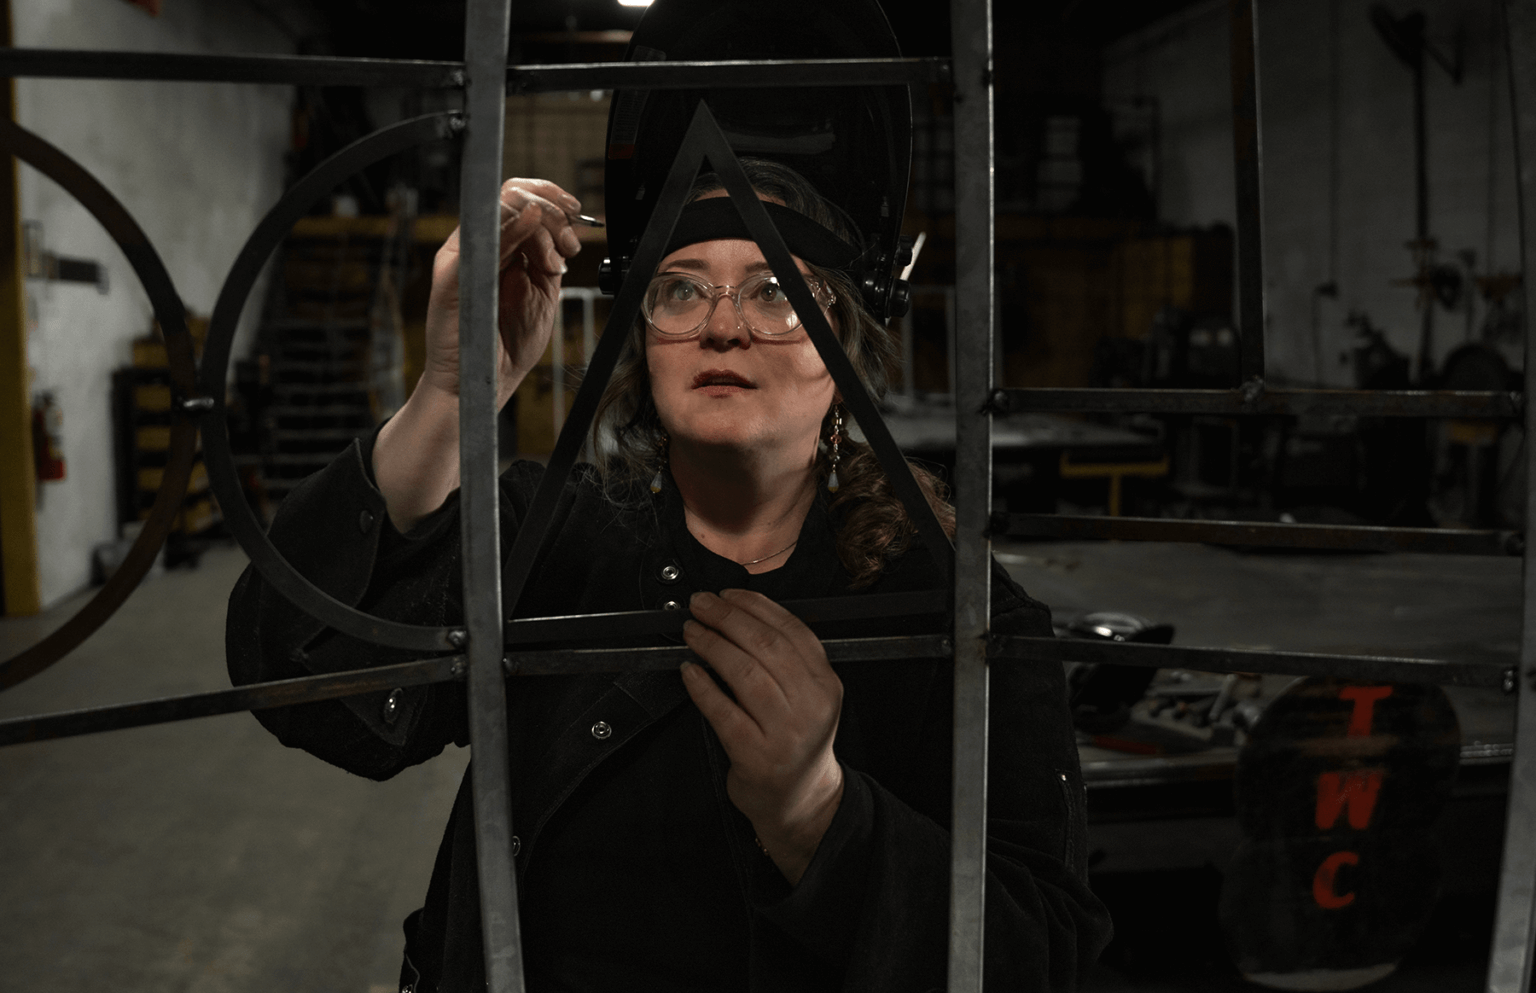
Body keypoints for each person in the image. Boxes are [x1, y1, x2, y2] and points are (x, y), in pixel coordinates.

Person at [226, 156, 1110, 992]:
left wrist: (817, 815)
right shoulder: (553, 533)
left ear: (844, 343)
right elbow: (305, 681)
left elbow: (1036, 953)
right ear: (645, 342)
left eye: (776, 292)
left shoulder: (961, 611)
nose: (723, 325)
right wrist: (453, 395)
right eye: (681, 289)